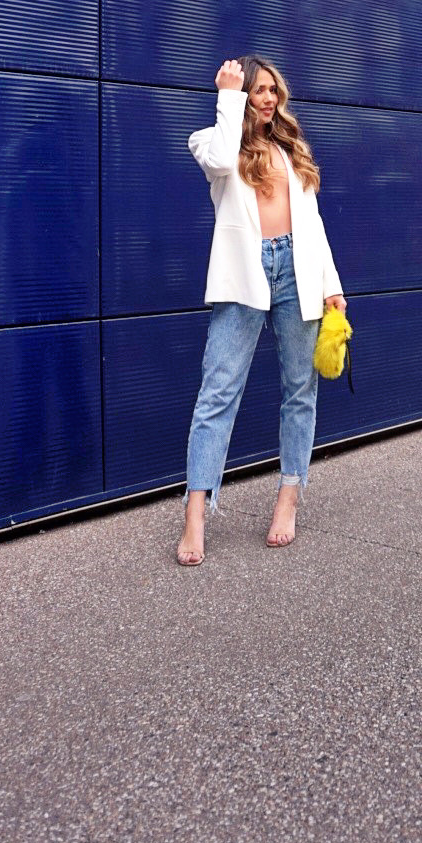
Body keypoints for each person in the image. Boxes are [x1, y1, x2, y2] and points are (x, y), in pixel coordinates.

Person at [177, 56, 346, 565]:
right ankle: (195, 516)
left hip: (300, 271)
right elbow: (224, 163)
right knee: (217, 393)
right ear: (240, 96)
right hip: (244, 275)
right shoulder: (210, 140)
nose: (269, 99)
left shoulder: (291, 149)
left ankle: (288, 498)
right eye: (258, 91)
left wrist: (331, 286)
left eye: (273, 90)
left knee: (300, 390)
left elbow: (313, 225)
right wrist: (227, 95)